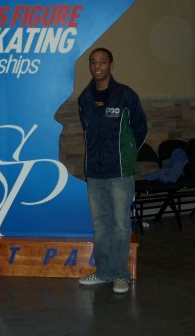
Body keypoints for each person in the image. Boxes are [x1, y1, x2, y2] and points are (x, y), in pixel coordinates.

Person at [78, 47, 147, 293]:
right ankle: (104, 272)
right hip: (94, 174)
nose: (97, 66)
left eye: (103, 62)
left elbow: (140, 128)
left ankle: (121, 275)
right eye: (93, 62)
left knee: (119, 225)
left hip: (119, 172)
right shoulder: (84, 98)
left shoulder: (126, 96)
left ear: (111, 65)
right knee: (100, 224)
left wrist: (127, 155)